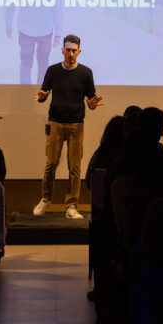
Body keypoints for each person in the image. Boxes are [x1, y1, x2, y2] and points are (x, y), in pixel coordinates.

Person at [33, 34, 102, 219]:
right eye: (68, 50)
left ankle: (71, 206)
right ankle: (46, 199)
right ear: (62, 51)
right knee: (51, 163)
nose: (71, 54)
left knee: (75, 166)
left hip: (76, 124)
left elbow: (91, 100)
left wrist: (93, 104)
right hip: (55, 122)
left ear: (79, 52)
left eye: (74, 51)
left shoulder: (85, 73)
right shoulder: (53, 70)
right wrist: (41, 96)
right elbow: (43, 93)